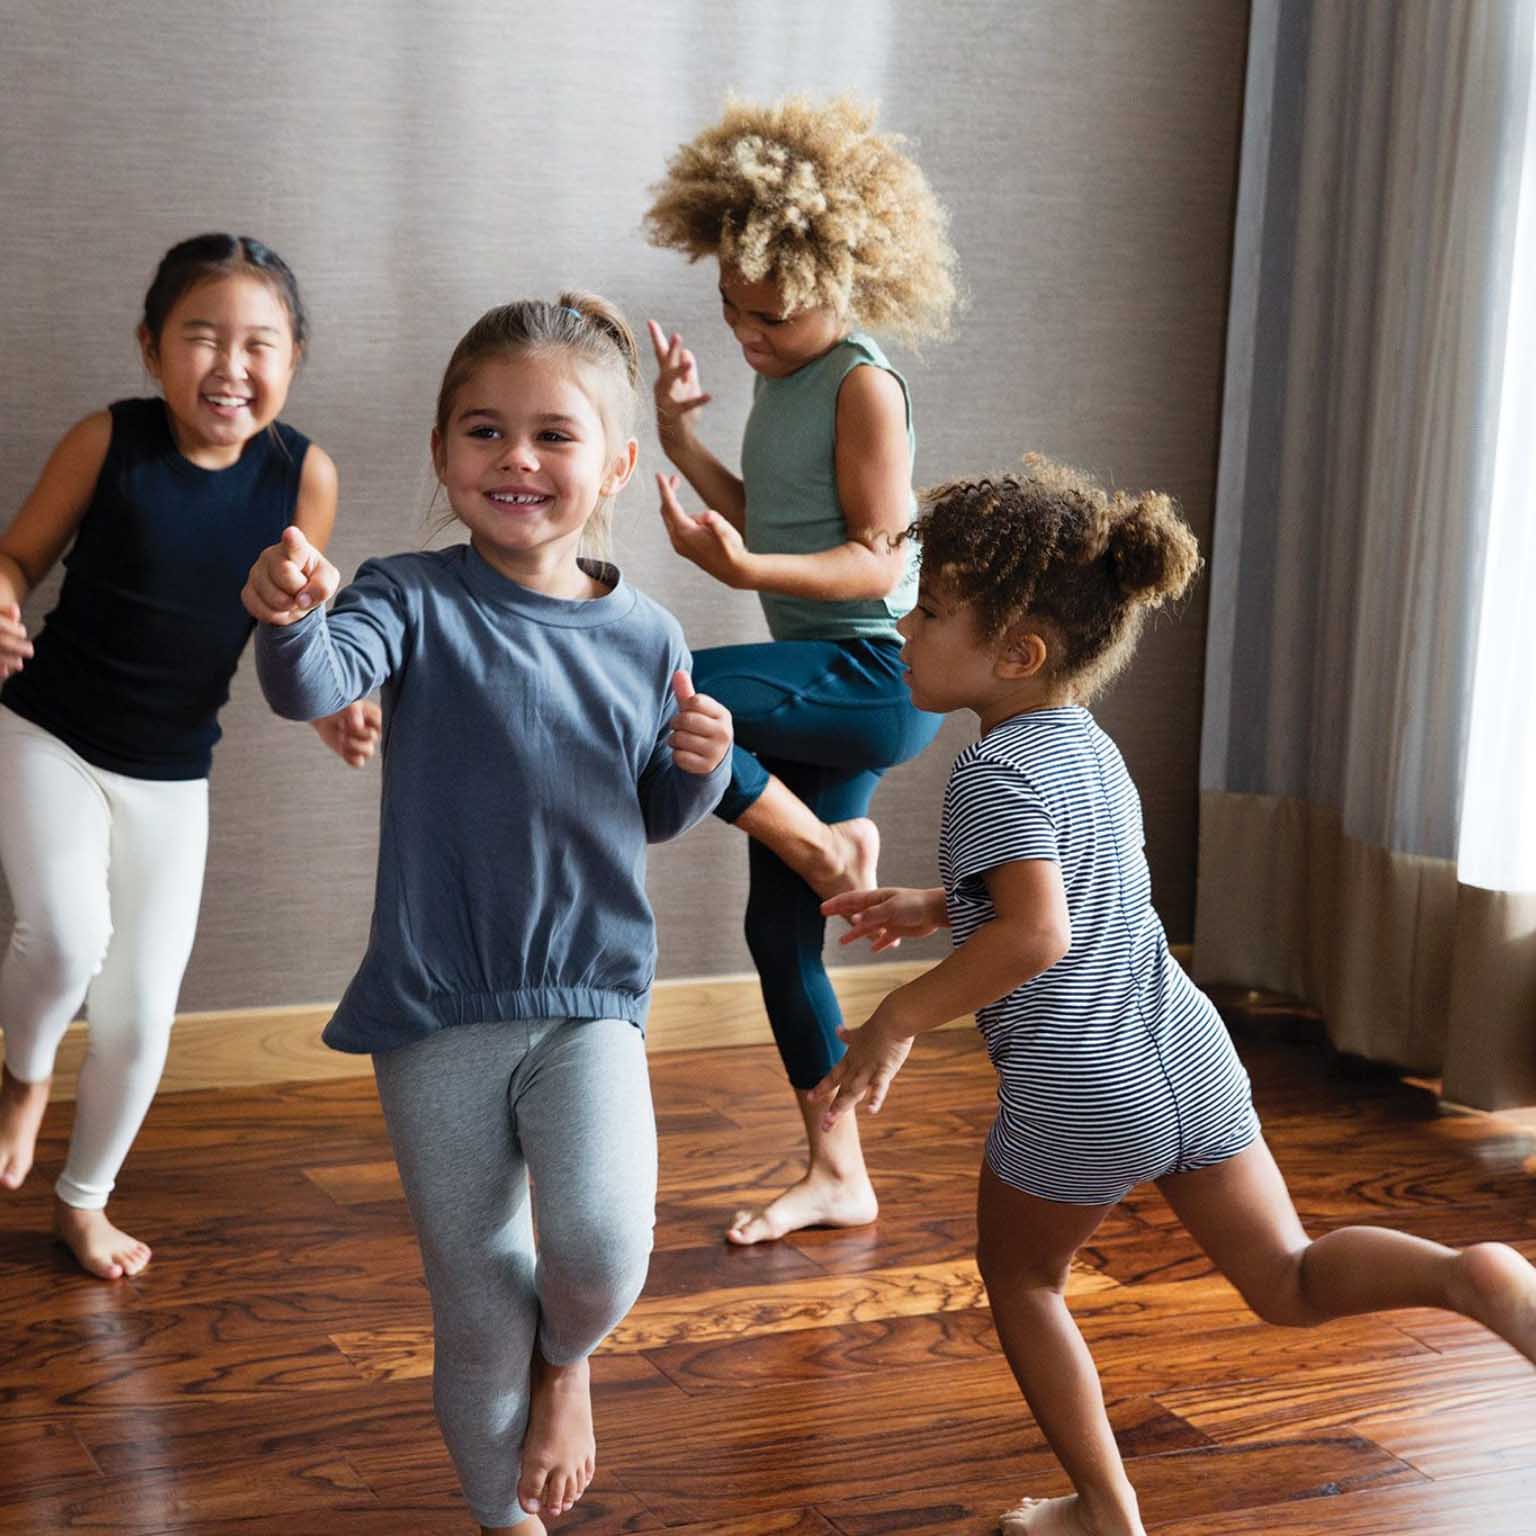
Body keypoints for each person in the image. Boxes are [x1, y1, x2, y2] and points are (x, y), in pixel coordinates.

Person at [817, 455, 1536, 1536]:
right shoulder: (1086, 748)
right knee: (1286, 1278)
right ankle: (1466, 1275)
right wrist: (936, 903)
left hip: (1081, 1084)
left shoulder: (990, 771)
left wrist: (894, 1018)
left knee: (1024, 1283)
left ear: (1018, 652)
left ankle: (1105, 1510)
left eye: (930, 612)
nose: (904, 628)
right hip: (1185, 1050)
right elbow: (1075, 887)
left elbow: (1039, 932)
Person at [246, 293, 732, 1535]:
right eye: (484, 431)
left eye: (554, 435)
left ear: (615, 465)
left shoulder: (649, 635)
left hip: (589, 998)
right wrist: (290, 616)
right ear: (442, 451)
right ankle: (501, 1520)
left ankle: (568, 1364)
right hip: (436, 1008)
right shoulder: (406, 595)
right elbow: (314, 681)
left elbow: (648, 813)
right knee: (473, 1302)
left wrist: (700, 768)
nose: (517, 457)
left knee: (602, 1252)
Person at [0, 233, 377, 1280]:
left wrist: (329, 706)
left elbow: (289, 629)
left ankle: (83, 1202)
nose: (230, 366)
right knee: (65, 938)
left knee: (139, 1016)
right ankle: (24, 1073)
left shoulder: (304, 475)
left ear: (294, 357)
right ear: (151, 346)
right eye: (202, 337)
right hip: (49, 735)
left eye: (259, 344)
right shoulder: (108, 441)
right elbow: (17, 555)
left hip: (174, 773)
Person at [644, 94, 957, 1243]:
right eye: (731, 309)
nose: (748, 336)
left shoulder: (864, 384)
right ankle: (839, 1174)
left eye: (770, 315)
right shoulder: (784, 377)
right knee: (778, 939)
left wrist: (741, 569)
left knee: (650, 687)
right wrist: (681, 440)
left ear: (844, 280)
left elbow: (879, 560)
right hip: (822, 683)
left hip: (873, 677)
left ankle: (832, 850)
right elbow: (767, 516)